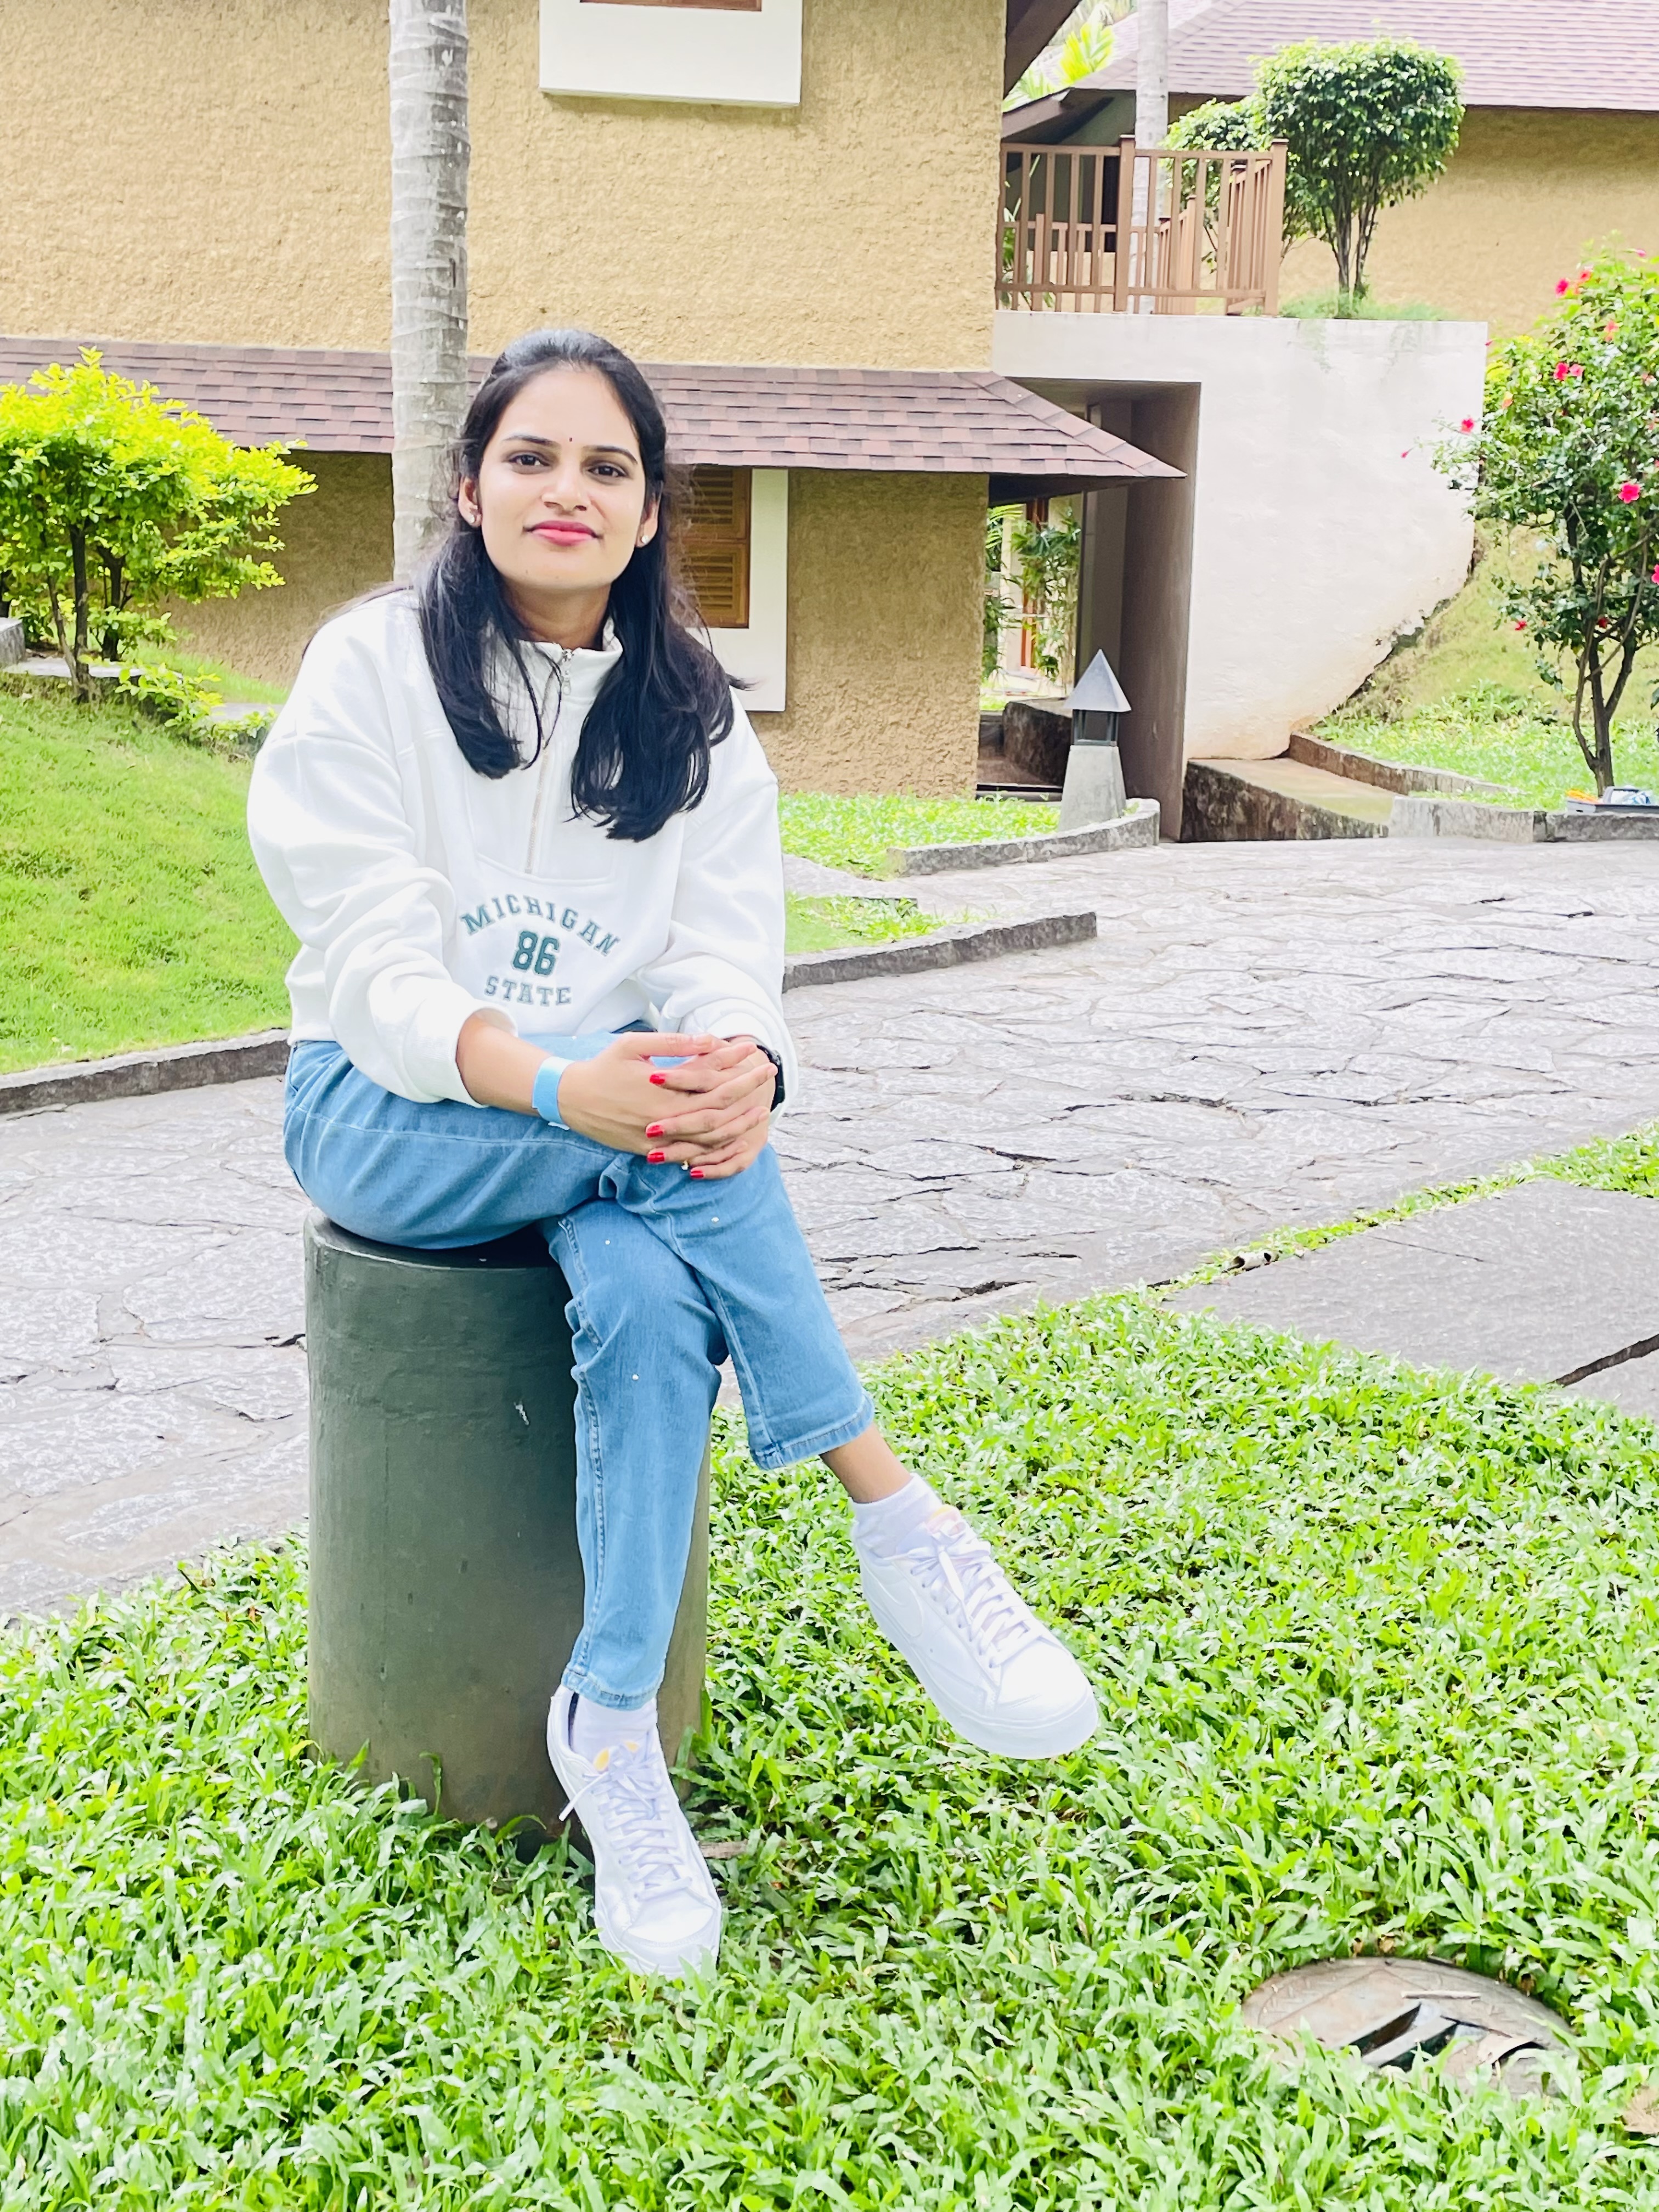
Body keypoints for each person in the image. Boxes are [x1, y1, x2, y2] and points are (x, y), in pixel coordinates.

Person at [248, 328, 1098, 1980]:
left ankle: (614, 1721)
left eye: (607, 466)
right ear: (471, 486)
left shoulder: (693, 715)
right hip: (384, 1107)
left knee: (649, 1300)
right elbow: (376, 968)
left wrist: (742, 1069)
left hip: (620, 1126)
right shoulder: (373, 668)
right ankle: (896, 1511)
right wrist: (565, 1089)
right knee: (660, 1165)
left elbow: (724, 952)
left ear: (650, 515)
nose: (565, 490)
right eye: (532, 457)